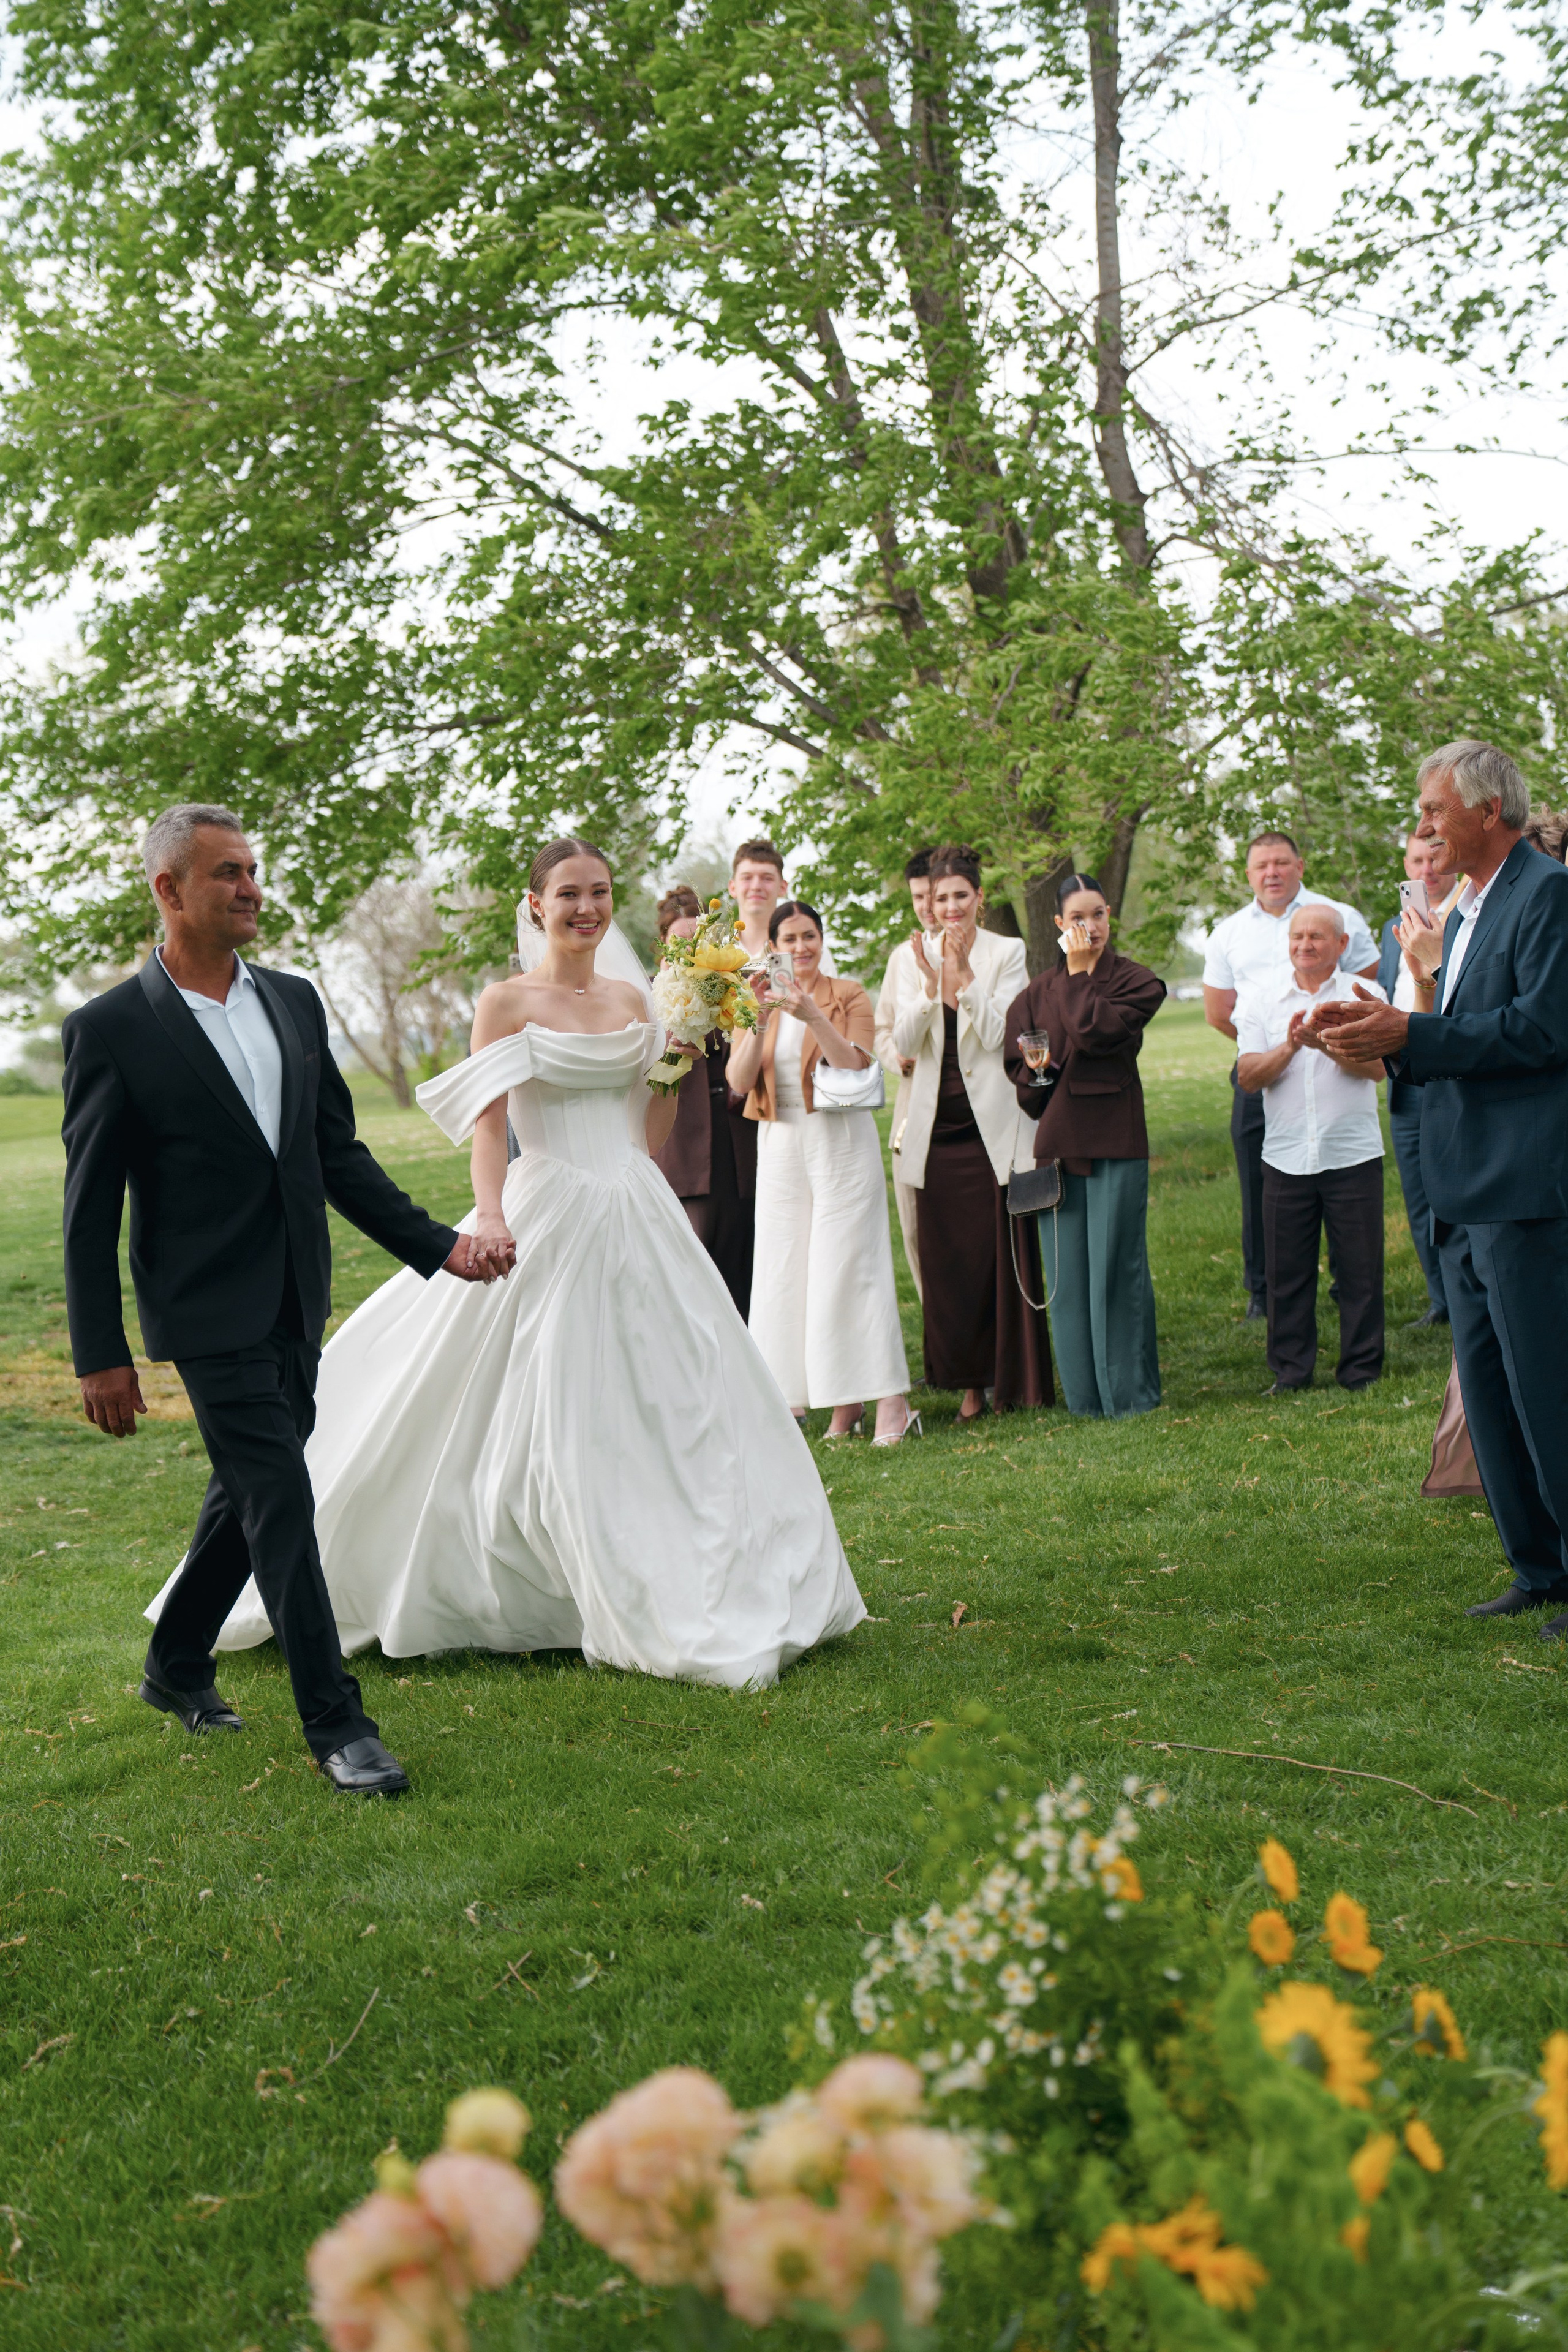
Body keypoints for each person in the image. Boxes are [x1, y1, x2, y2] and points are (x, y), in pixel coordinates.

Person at [151, 839, 866, 1685]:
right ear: (536, 905)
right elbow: (491, 1127)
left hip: (635, 1205)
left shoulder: (641, 999)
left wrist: (672, 1066)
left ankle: (688, 1558)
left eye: (600, 892)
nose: (586, 908)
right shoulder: (504, 1001)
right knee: (534, 1391)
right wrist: (490, 1213)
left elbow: (648, 1133)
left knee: (680, 1391)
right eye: (568, 894)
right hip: (546, 1202)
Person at [63, 805, 497, 1797]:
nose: (252, 887)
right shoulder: (112, 1030)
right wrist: (102, 1353)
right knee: (282, 1501)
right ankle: (338, 1727)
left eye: (254, 869)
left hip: (298, 1296)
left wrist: (444, 1250)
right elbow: (90, 1215)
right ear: (169, 891)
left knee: (247, 1496)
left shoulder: (297, 1005)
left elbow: (335, 1157)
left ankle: (175, 1666)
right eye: (227, 874)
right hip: (202, 1310)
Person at [1313, 740, 1568, 1629]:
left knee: (1547, 1392)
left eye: (1433, 811)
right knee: (1492, 1402)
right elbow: (1450, 1026)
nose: (1422, 827)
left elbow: (1539, 1032)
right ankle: (1536, 1571)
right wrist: (1378, 1040)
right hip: (1462, 1185)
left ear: (1487, 813)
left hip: (1526, 1189)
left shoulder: (1549, 897)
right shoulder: (1459, 911)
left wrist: (1409, 1040)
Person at [726, 900, 916, 1444]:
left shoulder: (846, 994)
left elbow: (856, 1065)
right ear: (774, 947)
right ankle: (827, 1402)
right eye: (789, 940)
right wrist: (761, 1015)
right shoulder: (754, 996)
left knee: (849, 1268)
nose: (801, 948)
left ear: (821, 940)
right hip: (781, 1140)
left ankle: (891, 1402)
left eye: (809, 936)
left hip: (839, 1140)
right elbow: (739, 1080)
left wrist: (810, 1013)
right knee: (786, 1272)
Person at [892, 845, 1051, 1422]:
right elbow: (904, 1043)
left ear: (979, 899)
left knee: (997, 1258)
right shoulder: (907, 957)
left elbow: (1002, 1035)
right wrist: (933, 983)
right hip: (936, 1132)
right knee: (949, 1264)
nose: (951, 906)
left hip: (992, 1127)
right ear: (928, 904)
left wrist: (963, 979)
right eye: (941, 898)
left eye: (962, 895)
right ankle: (966, 1389)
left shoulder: (1007, 952)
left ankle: (1016, 1378)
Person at [1003, 873, 1164, 1418]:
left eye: (1097, 915)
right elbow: (1021, 1074)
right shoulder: (1031, 996)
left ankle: (1129, 1398)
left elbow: (1094, 1030)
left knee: (1117, 1270)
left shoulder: (1140, 982)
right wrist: (1035, 1077)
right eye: (1077, 919)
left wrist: (1075, 974)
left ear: (1110, 915)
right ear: (1058, 924)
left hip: (1117, 1139)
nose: (1089, 927)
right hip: (1058, 1144)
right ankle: (1085, 1400)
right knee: (1068, 1278)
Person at [1203, 832, 1378, 1319]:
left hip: (1337, 1069)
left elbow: (1366, 991)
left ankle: (1351, 1286)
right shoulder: (1229, 931)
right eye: (1262, 865)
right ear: (1248, 874)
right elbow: (1219, 1012)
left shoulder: (1337, 914)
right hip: (1266, 1067)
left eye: (1281, 863)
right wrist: (1263, 1046)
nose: (1272, 873)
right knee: (1264, 1187)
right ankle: (1264, 1289)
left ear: (1300, 866)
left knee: (1344, 1185)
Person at [1236, 903, 1389, 1393]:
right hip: (1285, 1156)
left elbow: (1380, 1070)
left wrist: (1326, 1044)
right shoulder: (1262, 998)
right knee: (1286, 1273)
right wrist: (1291, 1046)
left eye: (1317, 937)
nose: (1305, 944)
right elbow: (1248, 1078)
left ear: (1342, 945)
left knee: (1361, 1271)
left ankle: (1361, 1370)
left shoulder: (1366, 995)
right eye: (1298, 936)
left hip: (1353, 1153)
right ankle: (1291, 1371)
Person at [649, 886, 756, 1318]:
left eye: (702, 939)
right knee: (692, 1258)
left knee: (742, 1250)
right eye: (682, 941)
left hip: (739, 1134)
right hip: (682, 1142)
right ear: (665, 945)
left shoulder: (737, 985)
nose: (694, 949)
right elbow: (651, 1083)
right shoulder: (653, 995)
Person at [1377, 829, 1464, 1327]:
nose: (1426, 870)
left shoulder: (1468, 918)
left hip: (1451, 1073)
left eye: (1434, 858)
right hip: (1404, 1084)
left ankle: (1466, 1289)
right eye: (1416, 861)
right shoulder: (1395, 926)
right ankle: (1441, 1300)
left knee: (1455, 1191)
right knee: (1417, 1193)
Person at [873, 848, 935, 1298]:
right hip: (913, 1103)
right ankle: (936, 1336)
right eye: (918, 897)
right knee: (914, 1222)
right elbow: (882, 1031)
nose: (927, 907)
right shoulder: (901, 958)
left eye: (934, 895)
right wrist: (897, 1059)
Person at [731, 838, 788, 963]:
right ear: (733, 888)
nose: (756, 886)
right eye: (747, 878)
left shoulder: (806, 952)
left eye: (767, 878)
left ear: (783, 888)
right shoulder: (715, 952)